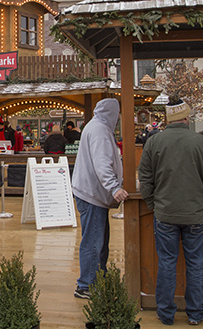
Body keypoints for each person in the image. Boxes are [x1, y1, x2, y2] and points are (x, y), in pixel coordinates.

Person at [138, 99, 203, 326]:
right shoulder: (201, 142)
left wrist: (152, 203)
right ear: (185, 118)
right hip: (195, 212)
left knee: (166, 262)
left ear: (167, 119)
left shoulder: (154, 142)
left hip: (165, 212)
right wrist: (199, 189)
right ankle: (195, 313)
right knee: (195, 263)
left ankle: (165, 314)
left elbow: (145, 177)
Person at [71, 98, 128, 299]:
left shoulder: (94, 127)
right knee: (94, 242)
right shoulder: (101, 131)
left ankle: (97, 280)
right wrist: (114, 188)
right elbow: (102, 163)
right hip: (92, 195)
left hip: (91, 193)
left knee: (97, 241)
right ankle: (87, 285)